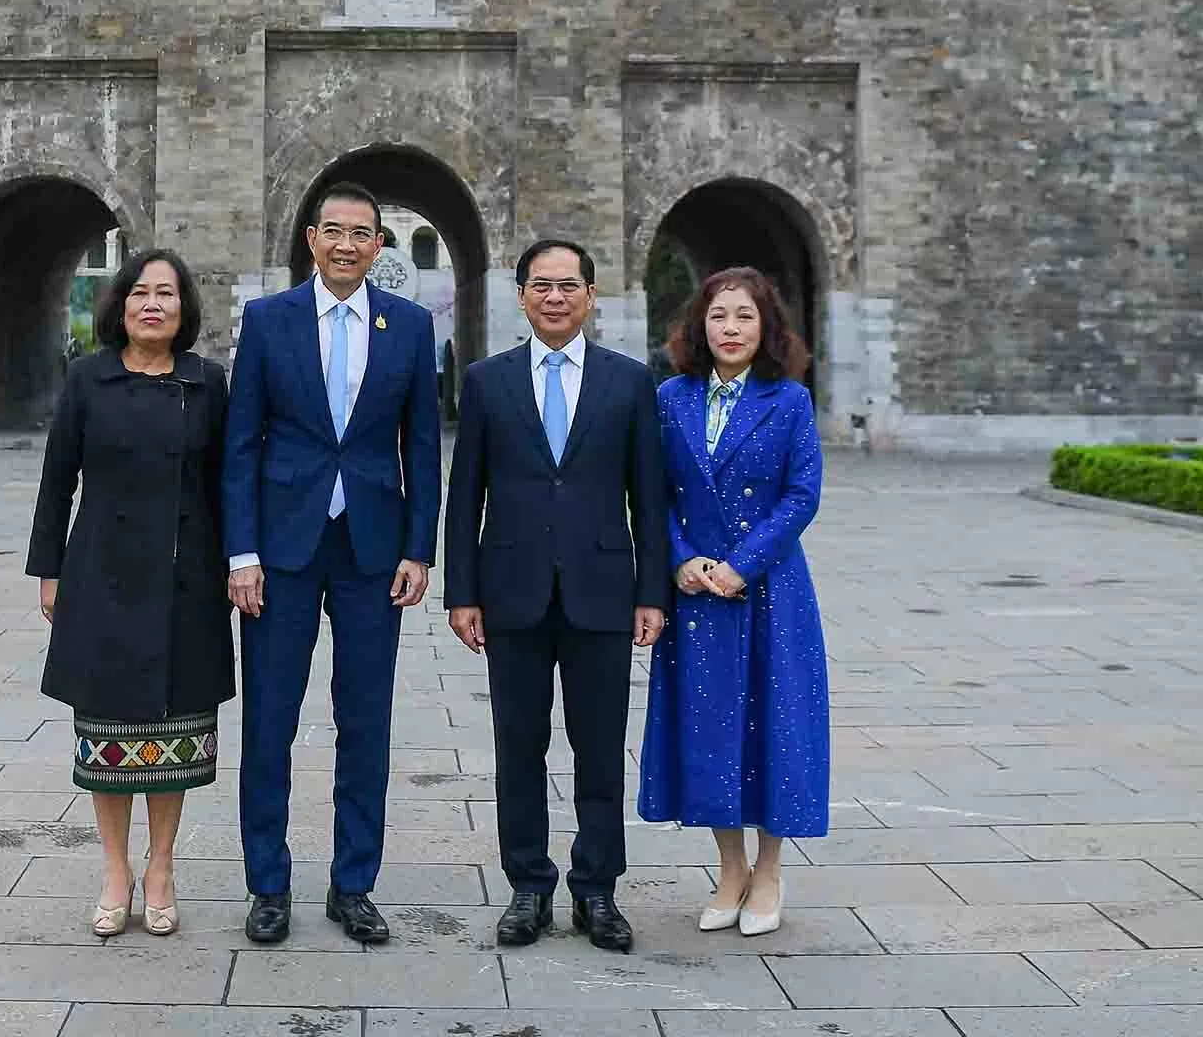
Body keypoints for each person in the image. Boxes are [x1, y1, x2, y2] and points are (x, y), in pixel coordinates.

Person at [223, 181, 442, 948]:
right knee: (270, 719)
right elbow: (241, 443)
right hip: (281, 548)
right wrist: (240, 551)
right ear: (311, 239)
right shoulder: (268, 321)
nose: (348, 245)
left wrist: (421, 547)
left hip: (372, 550)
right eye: (335, 232)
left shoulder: (410, 327)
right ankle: (268, 883)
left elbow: (423, 445)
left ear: (380, 246)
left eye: (363, 234)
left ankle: (354, 883)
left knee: (366, 720)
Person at [444, 239, 670, 953]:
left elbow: (649, 497)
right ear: (520, 295)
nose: (554, 297)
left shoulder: (630, 383)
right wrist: (462, 591)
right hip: (510, 592)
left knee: (600, 748)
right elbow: (464, 494)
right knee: (519, 745)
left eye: (568, 285)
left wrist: (652, 592)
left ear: (591, 295)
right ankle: (528, 888)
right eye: (540, 285)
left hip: (604, 592)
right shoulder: (487, 382)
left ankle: (597, 891)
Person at [27, 249, 234, 940]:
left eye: (167, 295)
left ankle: (163, 868)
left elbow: (223, 483)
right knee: (108, 735)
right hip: (102, 574)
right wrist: (49, 572)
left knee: (173, 735)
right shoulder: (88, 378)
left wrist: (237, 564)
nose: (153, 305)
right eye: (141, 293)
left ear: (184, 310)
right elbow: (59, 479)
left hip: (186, 576)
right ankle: (116, 871)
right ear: (119, 306)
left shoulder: (208, 383)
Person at [638, 267, 830, 938]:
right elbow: (651, 490)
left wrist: (743, 565)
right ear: (700, 324)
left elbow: (802, 494)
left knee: (776, 724)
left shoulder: (790, 401)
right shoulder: (671, 398)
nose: (730, 328)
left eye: (744, 316)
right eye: (719, 315)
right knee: (710, 727)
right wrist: (681, 558)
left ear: (766, 326)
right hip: (695, 592)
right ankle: (731, 868)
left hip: (770, 588)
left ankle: (770, 870)